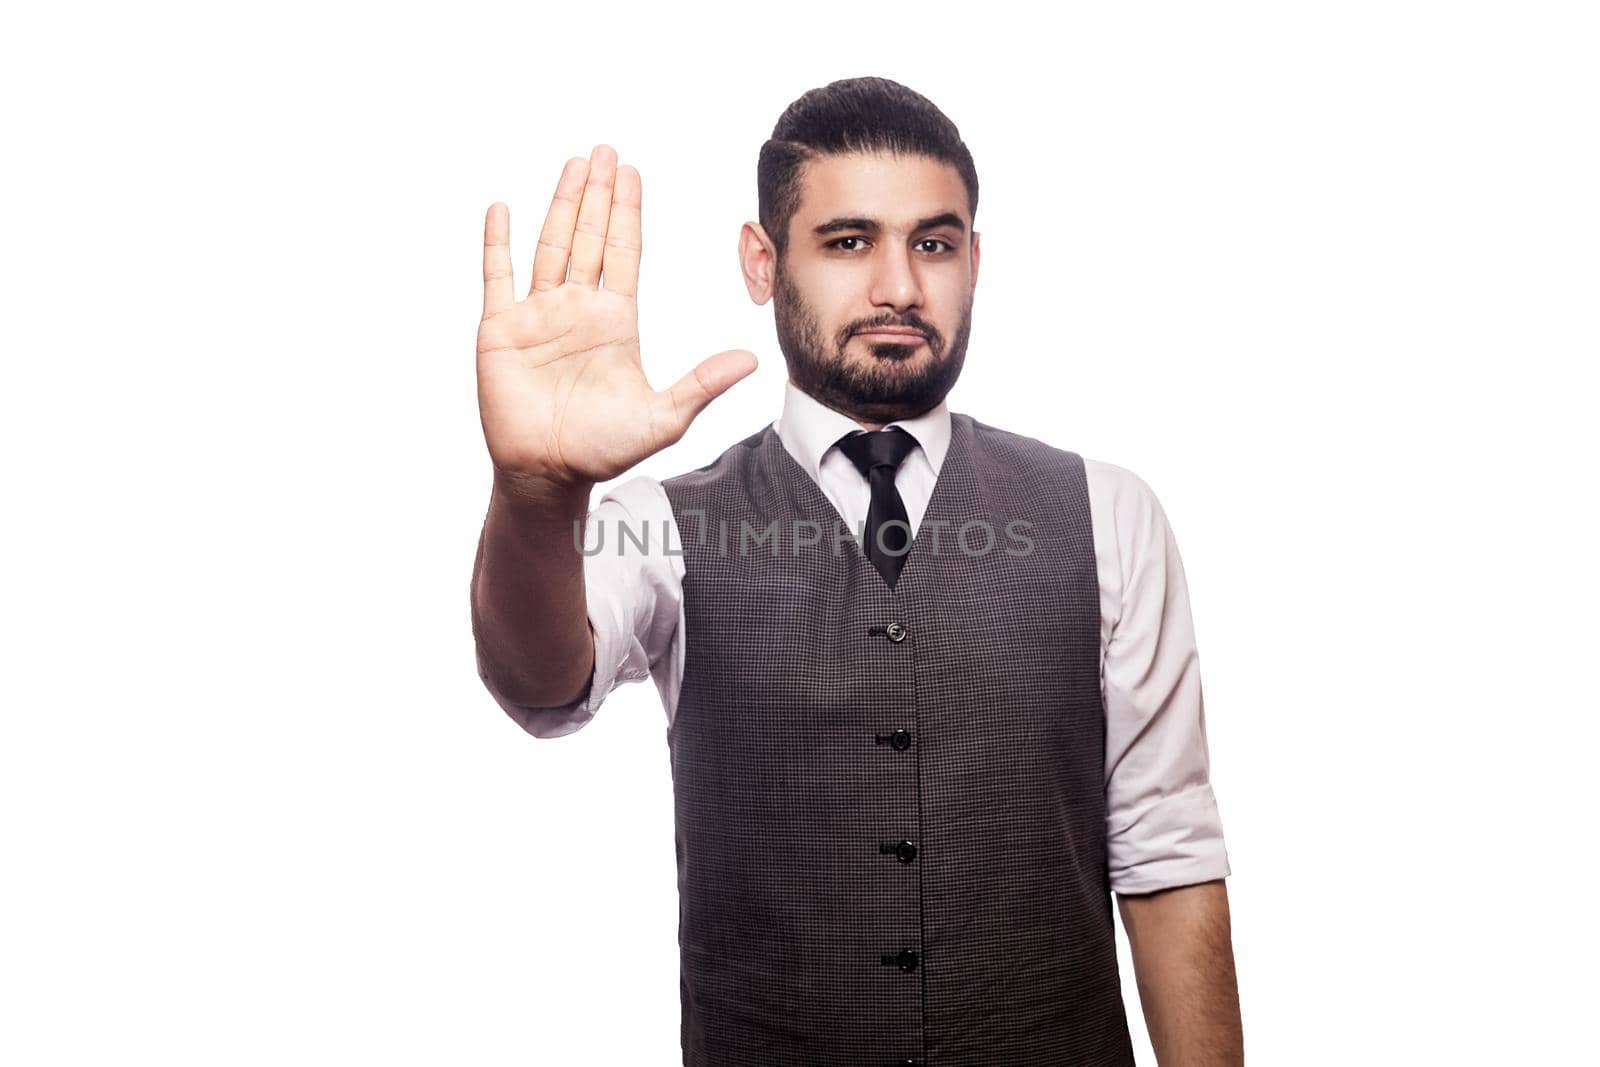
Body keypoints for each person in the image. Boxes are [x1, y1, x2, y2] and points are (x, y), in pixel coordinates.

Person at [471, 77, 1242, 1067]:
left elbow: (1168, 852)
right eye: (847, 242)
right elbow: (538, 681)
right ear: (763, 262)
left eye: (933, 242)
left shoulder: (1108, 512)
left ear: (973, 258)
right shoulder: (662, 523)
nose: (899, 288)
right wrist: (536, 491)